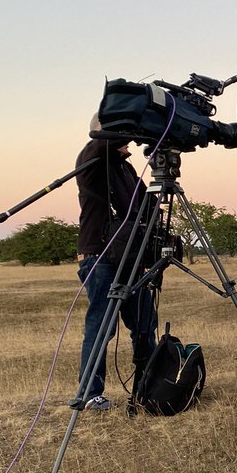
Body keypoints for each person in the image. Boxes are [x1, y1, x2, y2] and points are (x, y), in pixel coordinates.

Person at [71, 115, 158, 411]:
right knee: (101, 326)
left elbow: (145, 206)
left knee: (145, 321)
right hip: (100, 255)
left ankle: (148, 384)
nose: (130, 137)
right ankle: (90, 394)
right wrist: (124, 118)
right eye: (123, 131)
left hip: (128, 256)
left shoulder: (126, 168)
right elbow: (100, 143)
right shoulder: (91, 158)